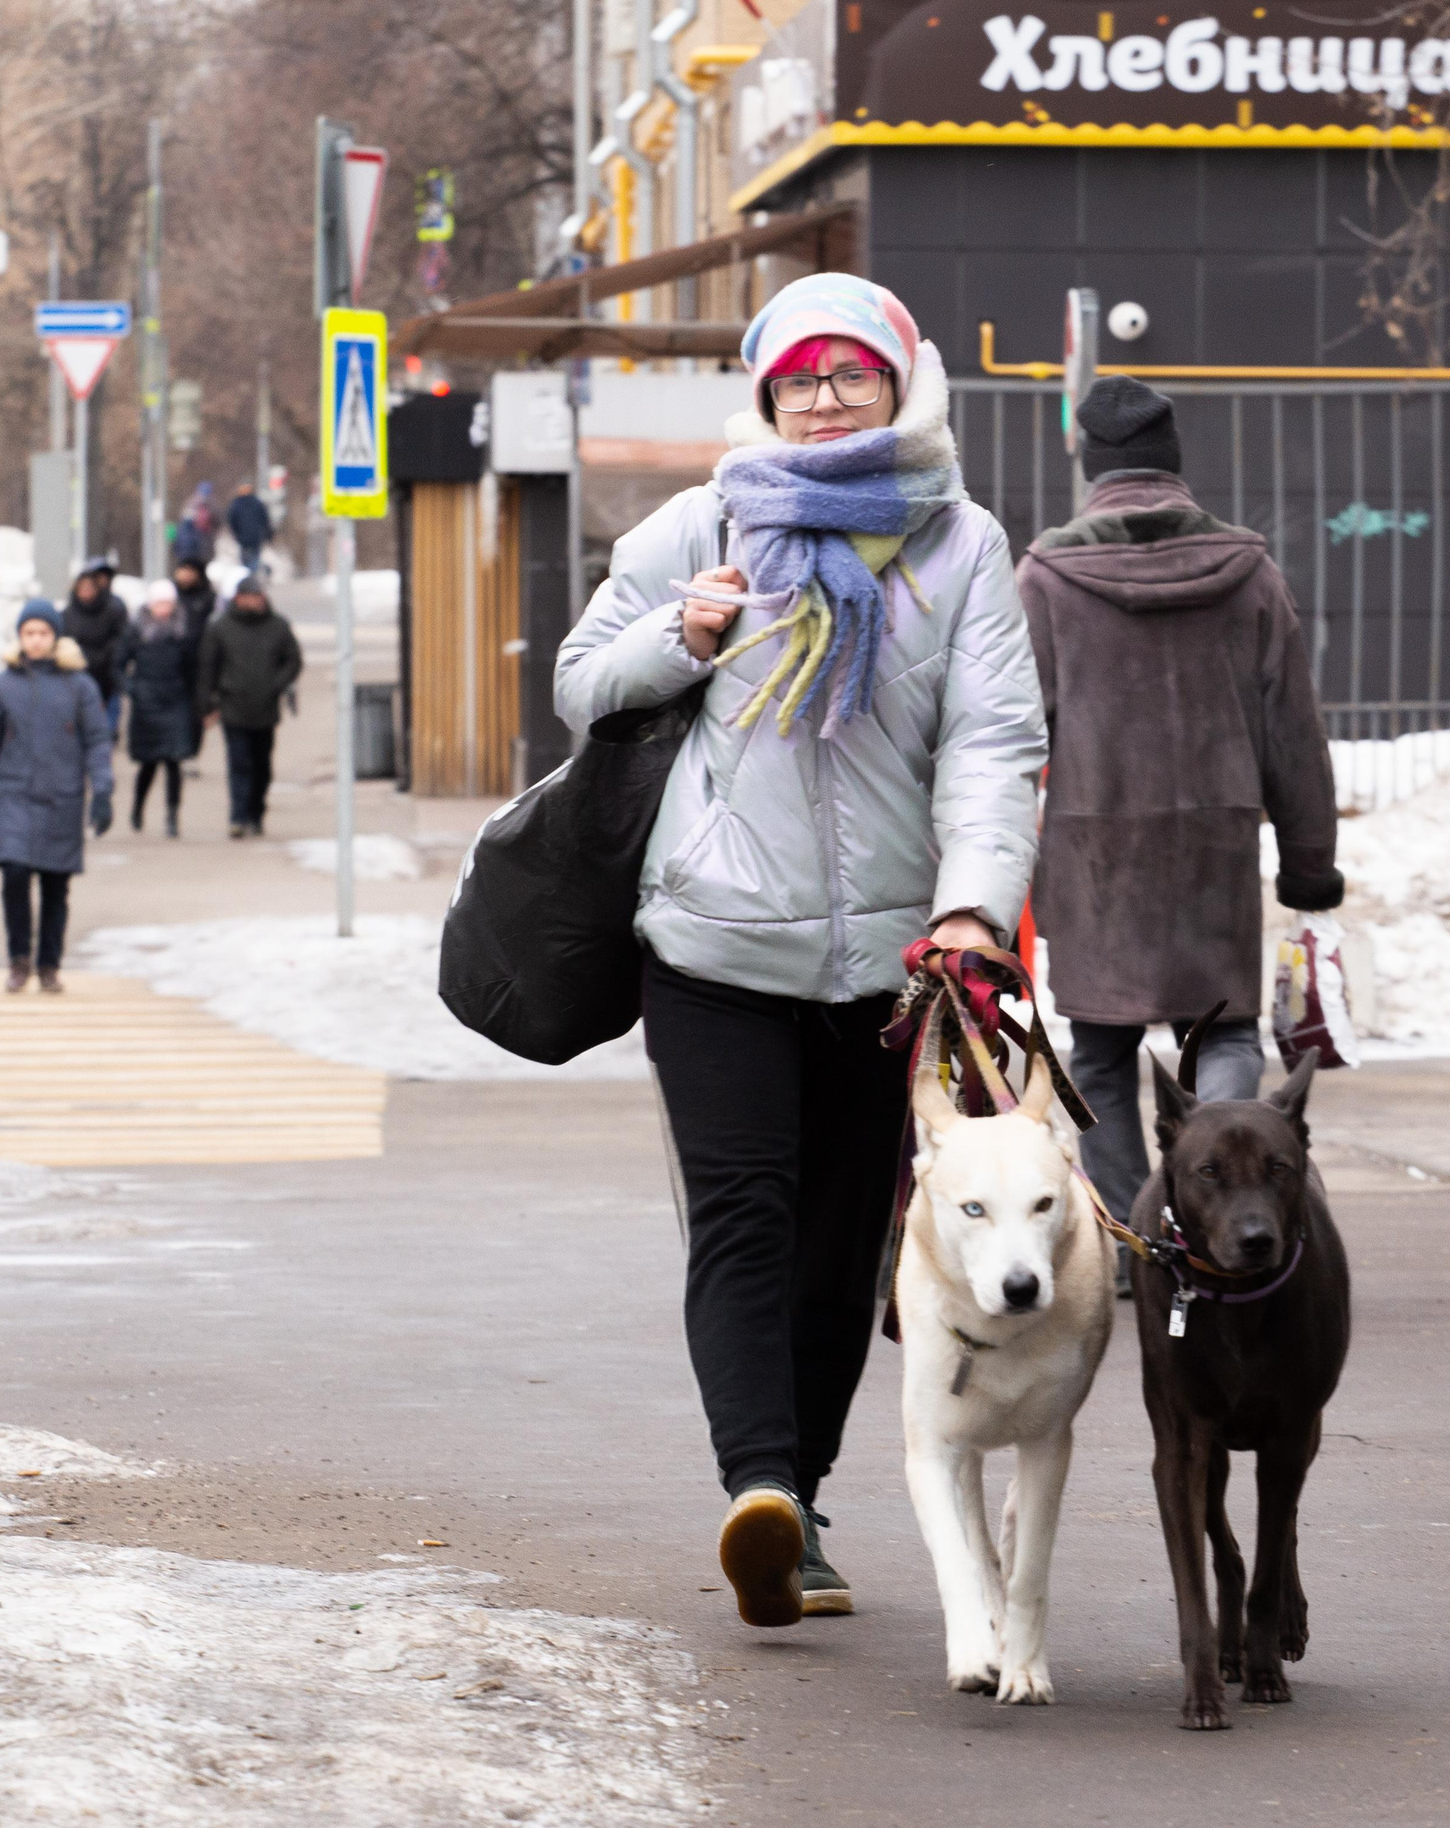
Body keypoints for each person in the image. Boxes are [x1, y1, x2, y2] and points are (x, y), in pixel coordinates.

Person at [554, 273, 1044, 1629]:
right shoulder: (698, 527)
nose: (827, 401)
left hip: (890, 975)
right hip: (714, 947)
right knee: (746, 1220)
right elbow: (580, 680)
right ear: (765, 394)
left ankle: (802, 1508)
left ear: (901, 382)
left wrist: (970, 910)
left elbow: (993, 745)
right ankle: (756, 1488)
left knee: (841, 1251)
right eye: (801, 380)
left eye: (853, 375)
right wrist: (680, 635)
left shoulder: (960, 545)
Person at [1018, 376, 1342, 1261]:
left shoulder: (1047, 579)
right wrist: (1310, 862)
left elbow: (1006, 735)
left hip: (1095, 855)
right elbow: (1294, 733)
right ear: (1174, 465)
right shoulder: (1249, 574)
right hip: (1215, 850)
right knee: (1225, 1033)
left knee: (1099, 1057)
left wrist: (989, 868)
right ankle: (1235, 1207)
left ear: (1095, 469)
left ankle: (1144, 1242)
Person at [0, 599, 113, 994]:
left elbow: (97, 740)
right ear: (20, 637)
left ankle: (49, 964)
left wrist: (103, 789)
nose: (36, 640)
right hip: (15, 795)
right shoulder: (3, 686)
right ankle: (18, 960)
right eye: (29, 633)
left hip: (62, 797)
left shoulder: (79, 685)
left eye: (43, 633)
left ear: (55, 637)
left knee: (54, 884)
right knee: (14, 875)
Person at [200, 572, 301, 838]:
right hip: (233, 705)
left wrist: (276, 684)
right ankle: (238, 816)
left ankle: (256, 812)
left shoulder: (277, 625)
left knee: (262, 764)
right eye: (249, 597)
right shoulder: (220, 627)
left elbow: (293, 660)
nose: (254, 601)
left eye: (258, 596)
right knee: (239, 762)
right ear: (238, 599)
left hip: (265, 707)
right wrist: (207, 703)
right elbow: (208, 667)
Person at [121, 579, 201, 836]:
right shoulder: (136, 630)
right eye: (159, 603)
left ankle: (172, 816)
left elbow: (193, 668)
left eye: (168, 603)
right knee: (148, 764)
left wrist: (195, 700)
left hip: (175, 701)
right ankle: (138, 807)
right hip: (146, 703)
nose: (163, 608)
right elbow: (119, 664)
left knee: (174, 762)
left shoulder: (183, 630)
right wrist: (132, 689)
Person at [57, 556, 131, 748]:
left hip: (106, 671)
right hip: (78, 671)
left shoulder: (113, 608)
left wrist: (107, 656)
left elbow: (121, 637)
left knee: (106, 720)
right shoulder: (67, 614)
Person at [171, 554, 219, 656]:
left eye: (190, 570)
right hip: (173, 654)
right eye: (183, 569)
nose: (185, 574)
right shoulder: (170, 594)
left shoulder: (208, 597)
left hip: (198, 652)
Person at [227, 480, 272, 579]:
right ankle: (251, 578)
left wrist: (236, 534)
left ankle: (249, 579)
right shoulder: (257, 502)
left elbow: (232, 521)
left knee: (247, 561)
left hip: (244, 538)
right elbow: (265, 520)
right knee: (253, 560)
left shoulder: (236, 504)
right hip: (254, 537)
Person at [171, 484, 217, 573]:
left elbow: (175, 541)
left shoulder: (190, 503)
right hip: (199, 553)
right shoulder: (211, 504)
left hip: (184, 556)